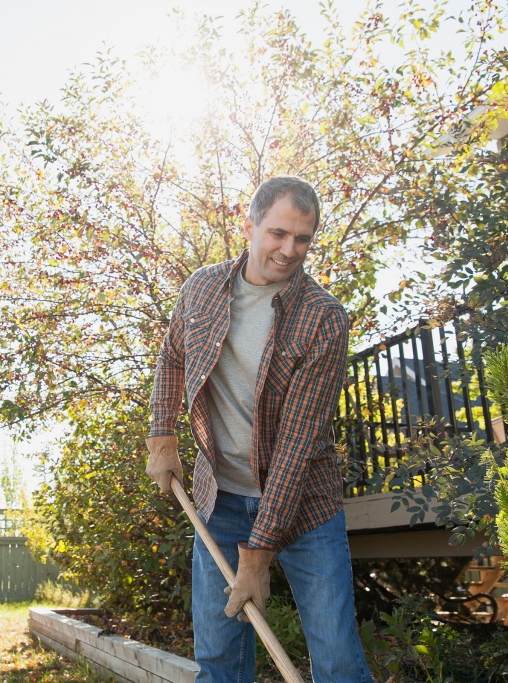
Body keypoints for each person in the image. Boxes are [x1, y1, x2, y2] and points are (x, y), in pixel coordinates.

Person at [146, 176, 371, 683]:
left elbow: (296, 446)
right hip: (221, 499)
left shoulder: (323, 319)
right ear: (248, 227)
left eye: (303, 238)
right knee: (218, 660)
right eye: (278, 234)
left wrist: (258, 554)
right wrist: (162, 436)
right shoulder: (202, 288)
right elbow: (173, 356)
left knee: (337, 660)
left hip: (306, 506)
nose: (290, 250)